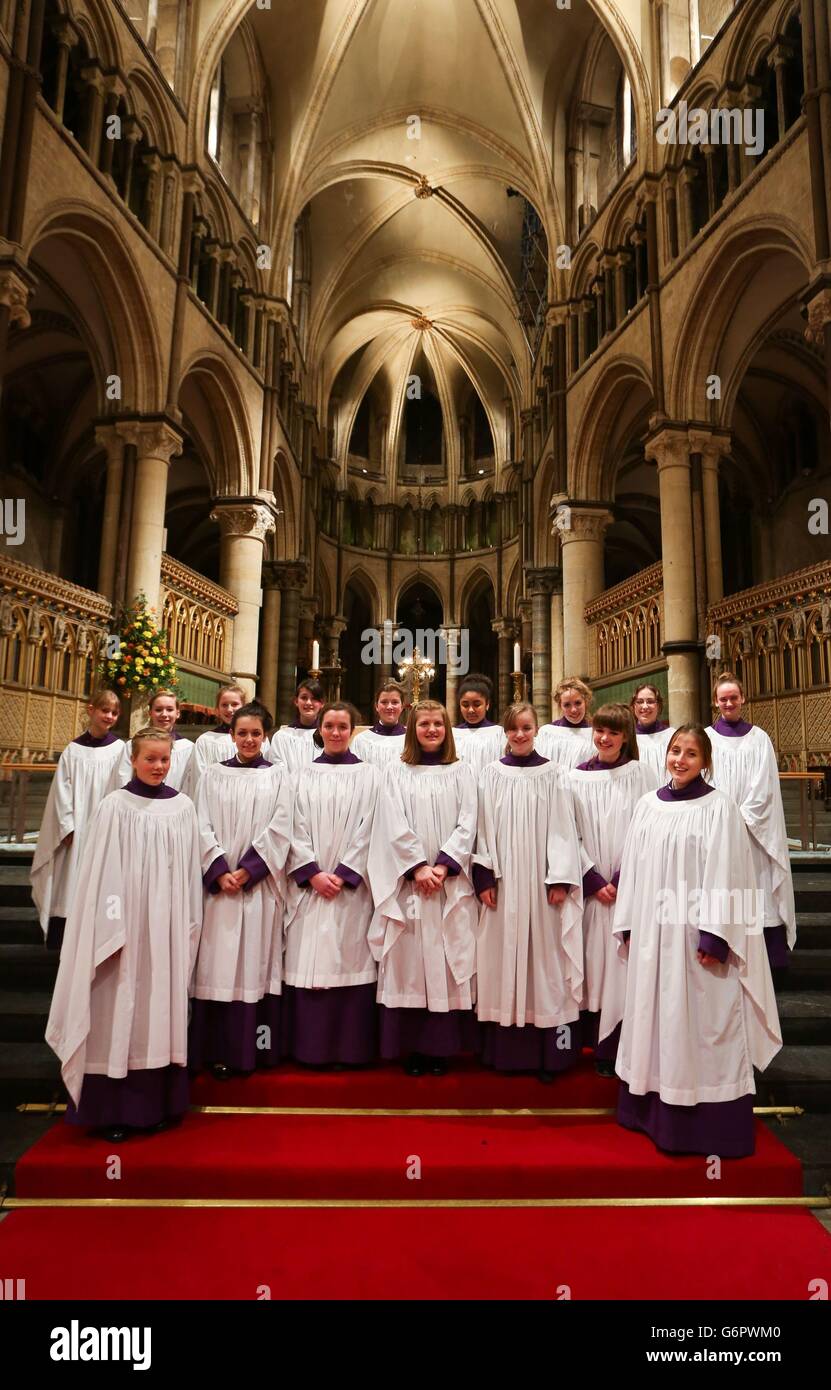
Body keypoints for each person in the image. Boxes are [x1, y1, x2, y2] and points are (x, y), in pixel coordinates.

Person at [613, 723, 782, 1157]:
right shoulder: (648, 805)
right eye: (675, 751)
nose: (680, 760)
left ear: (705, 761)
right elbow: (633, 867)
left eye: (691, 753)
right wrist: (630, 922)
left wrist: (716, 934)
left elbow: (728, 870)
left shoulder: (719, 807)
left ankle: (708, 1124)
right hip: (655, 936)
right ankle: (651, 1112)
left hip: (699, 942)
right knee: (657, 1017)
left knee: (705, 1022)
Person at [45, 728, 202, 1143]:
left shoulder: (183, 808)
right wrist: (112, 927)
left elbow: (188, 874)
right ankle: (113, 1108)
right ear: (133, 760)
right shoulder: (114, 807)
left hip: (165, 928)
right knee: (120, 1010)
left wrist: (185, 923)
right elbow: (99, 876)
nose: (158, 766)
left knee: (159, 1010)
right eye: (150, 759)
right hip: (125, 930)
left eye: (164, 760)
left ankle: (159, 1104)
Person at [473, 702, 584, 1080]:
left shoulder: (554, 775)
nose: (520, 735)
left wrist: (560, 878)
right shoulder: (489, 775)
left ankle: (552, 1056)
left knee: (546, 963)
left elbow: (563, 829)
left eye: (526, 728)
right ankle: (503, 1054)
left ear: (537, 730)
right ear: (504, 733)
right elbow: (481, 828)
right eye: (513, 729)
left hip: (541, 887)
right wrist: (484, 876)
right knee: (499, 961)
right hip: (502, 886)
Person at [368, 700, 478, 1076]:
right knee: (410, 964)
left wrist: (444, 866)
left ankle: (441, 1049)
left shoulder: (462, 771)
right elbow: (391, 821)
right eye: (424, 724)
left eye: (438, 724)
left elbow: (469, 821)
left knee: (446, 961)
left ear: (447, 729)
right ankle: (412, 1047)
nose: (431, 730)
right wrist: (416, 868)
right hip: (411, 886)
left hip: (447, 884)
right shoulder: (396, 772)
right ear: (412, 729)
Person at [189, 702, 293, 1080]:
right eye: (242, 733)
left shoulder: (279, 776)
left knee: (254, 964)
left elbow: (282, 827)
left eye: (256, 734)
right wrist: (218, 869)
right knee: (216, 966)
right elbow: (200, 824)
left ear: (266, 736)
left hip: (258, 889)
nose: (249, 740)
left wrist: (248, 871)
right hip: (219, 892)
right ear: (231, 735)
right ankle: (215, 1050)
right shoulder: (212, 776)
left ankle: (257, 1050)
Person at [283, 702, 380, 1066]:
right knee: (311, 959)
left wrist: (345, 872)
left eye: (343, 726)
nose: (336, 732)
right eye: (330, 726)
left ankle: (350, 1049)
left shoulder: (371, 775)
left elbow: (371, 827)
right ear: (320, 730)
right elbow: (291, 824)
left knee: (348, 956)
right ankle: (310, 1049)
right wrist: (312, 872)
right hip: (311, 887)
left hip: (351, 890)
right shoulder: (299, 774)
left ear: (353, 730)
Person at [569, 704, 657, 1075]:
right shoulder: (575, 778)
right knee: (590, 964)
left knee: (621, 965)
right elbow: (566, 832)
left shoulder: (641, 775)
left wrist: (621, 879)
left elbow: (648, 831)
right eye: (599, 731)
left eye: (613, 733)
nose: (604, 739)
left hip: (627, 891)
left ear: (625, 737)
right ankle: (587, 1042)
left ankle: (616, 1049)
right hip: (590, 893)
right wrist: (591, 879)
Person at [705, 672, 796, 968]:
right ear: (716, 701)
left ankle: (767, 959)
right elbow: (706, 781)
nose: (729, 702)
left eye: (733, 697)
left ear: (742, 698)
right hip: (718, 830)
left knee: (758, 889)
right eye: (723, 698)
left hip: (754, 833)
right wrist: (722, 818)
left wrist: (740, 819)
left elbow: (765, 786)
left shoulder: (759, 738)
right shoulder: (706, 738)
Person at [31, 688, 125, 951]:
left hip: (103, 826)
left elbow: (121, 789)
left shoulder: (120, 749)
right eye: (104, 710)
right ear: (90, 710)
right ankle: (66, 936)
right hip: (75, 830)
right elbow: (62, 791)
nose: (109, 716)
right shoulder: (73, 750)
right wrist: (67, 826)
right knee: (70, 879)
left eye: (114, 712)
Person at [109, 687, 194, 794]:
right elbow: (122, 779)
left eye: (169, 709)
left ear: (177, 713)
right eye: (158, 710)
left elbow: (189, 785)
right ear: (150, 713)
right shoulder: (132, 745)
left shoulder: (188, 748)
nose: (164, 714)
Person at [191, 684, 246, 788]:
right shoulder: (205, 741)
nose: (229, 709)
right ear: (217, 710)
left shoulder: (255, 740)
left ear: (244, 707)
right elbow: (199, 779)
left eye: (234, 704)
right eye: (224, 705)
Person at [536, 676, 595, 770]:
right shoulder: (548, 732)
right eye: (567, 705)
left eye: (578, 703)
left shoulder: (596, 733)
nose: (574, 710)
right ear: (560, 706)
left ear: (586, 701)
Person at [453, 674, 504, 777]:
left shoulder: (498, 733)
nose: (471, 710)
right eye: (465, 705)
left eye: (477, 704)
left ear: (487, 704)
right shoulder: (453, 734)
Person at [270, 680, 325, 772]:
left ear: (322, 703)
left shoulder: (327, 736)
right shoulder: (282, 737)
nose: (308, 702)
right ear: (296, 701)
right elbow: (277, 769)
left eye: (314, 698)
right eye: (304, 698)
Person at [351, 681, 408, 767]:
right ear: (376, 706)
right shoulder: (362, 740)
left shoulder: (410, 739)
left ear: (402, 706)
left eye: (395, 702)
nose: (389, 707)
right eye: (384, 702)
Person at [629, 683, 673, 778]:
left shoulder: (672, 736)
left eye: (650, 701)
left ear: (658, 706)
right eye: (640, 701)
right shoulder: (627, 738)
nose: (645, 706)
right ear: (634, 706)